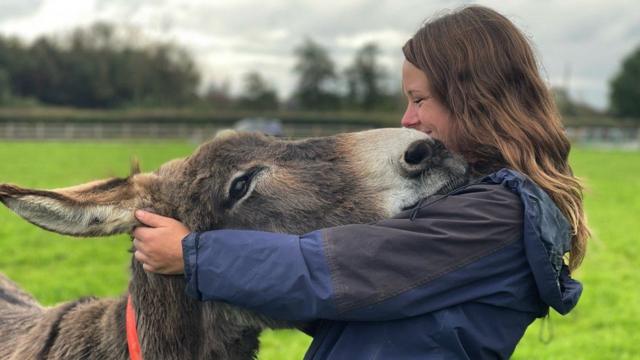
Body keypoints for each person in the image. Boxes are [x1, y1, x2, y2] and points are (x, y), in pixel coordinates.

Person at [132, 5, 588, 359]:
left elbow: (328, 272)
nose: (408, 120)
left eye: (419, 99)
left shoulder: (494, 218)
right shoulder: (482, 207)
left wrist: (193, 256)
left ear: (474, 99)